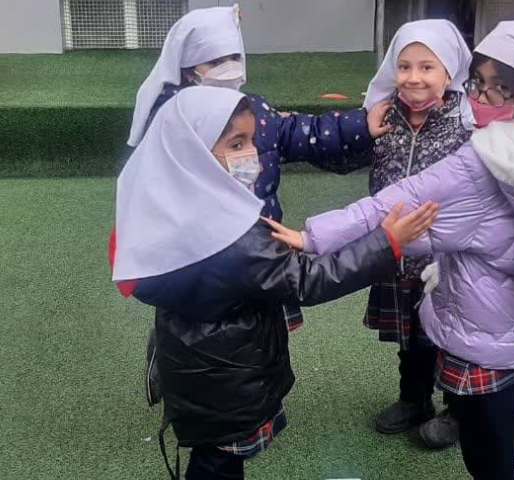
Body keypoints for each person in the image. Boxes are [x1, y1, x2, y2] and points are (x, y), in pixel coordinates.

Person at [267, 21, 514, 479]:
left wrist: (315, 236)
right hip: (487, 298)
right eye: (478, 84)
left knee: (487, 426)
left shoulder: (482, 147)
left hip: (469, 292)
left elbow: (400, 201)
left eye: (497, 89)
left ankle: (453, 413)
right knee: (429, 352)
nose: (481, 97)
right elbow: (387, 187)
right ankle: (417, 400)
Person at [110, 86, 438, 480]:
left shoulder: (170, 210)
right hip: (231, 378)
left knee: (212, 455)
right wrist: (385, 243)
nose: (252, 155)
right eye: (237, 144)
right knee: (217, 464)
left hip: (194, 369)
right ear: (193, 153)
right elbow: (309, 280)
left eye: (252, 141)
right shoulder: (233, 239)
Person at [123, 4, 391, 406]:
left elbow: (302, 132)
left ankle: (252, 381)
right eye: (215, 61)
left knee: (253, 321)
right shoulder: (175, 122)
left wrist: (359, 125)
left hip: (252, 244)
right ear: (190, 70)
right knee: (196, 315)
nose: (229, 68)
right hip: (200, 249)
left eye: (234, 56)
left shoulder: (254, 113)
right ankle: (174, 363)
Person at [358, 18, 475, 448]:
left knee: (451, 335)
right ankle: (414, 399)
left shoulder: (468, 124)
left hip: (448, 258)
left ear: (449, 72)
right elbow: (348, 152)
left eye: (427, 67)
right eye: (404, 66)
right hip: (399, 251)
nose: (414, 77)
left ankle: (458, 410)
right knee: (412, 335)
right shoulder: (383, 115)